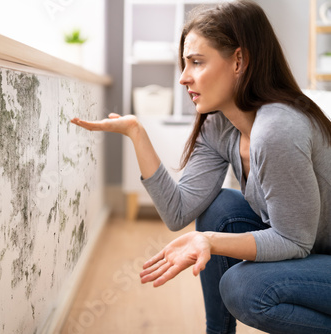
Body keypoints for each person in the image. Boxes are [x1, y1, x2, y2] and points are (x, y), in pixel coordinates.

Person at [71, 1, 331, 333]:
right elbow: (178, 212)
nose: (183, 78)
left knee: (244, 287)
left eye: (196, 62)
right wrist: (137, 133)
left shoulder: (278, 129)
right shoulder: (220, 126)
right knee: (219, 207)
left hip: (317, 254)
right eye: (184, 64)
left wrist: (209, 241)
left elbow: (295, 242)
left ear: (239, 60)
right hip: (312, 250)